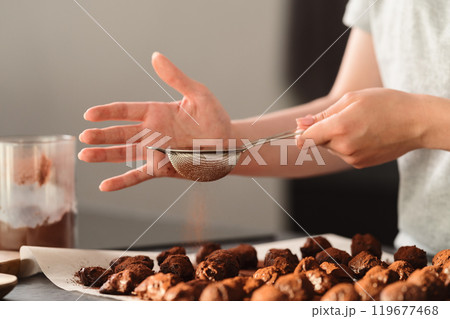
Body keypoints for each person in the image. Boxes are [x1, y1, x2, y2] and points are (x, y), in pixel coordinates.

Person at [78, 0, 450, 254]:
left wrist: (421, 122)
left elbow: (404, 120)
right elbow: (341, 116)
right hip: (419, 263)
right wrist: (221, 146)